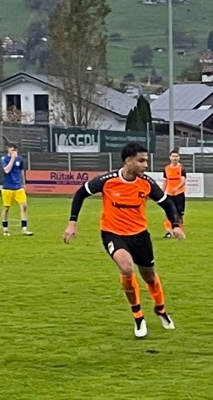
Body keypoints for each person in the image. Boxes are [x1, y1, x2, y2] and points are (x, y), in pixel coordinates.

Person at [63, 142, 185, 338]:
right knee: (127, 268)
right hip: (113, 234)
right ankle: (138, 316)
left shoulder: (146, 183)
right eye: (141, 160)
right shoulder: (107, 180)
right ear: (128, 161)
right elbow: (80, 194)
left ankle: (160, 309)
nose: (146, 165)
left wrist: (176, 225)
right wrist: (72, 222)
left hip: (140, 235)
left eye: (147, 160)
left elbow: (167, 203)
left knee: (149, 276)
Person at [0, 143, 33, 237]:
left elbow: (21, 171)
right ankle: (5, 229)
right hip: (7, 188)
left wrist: (24, 184)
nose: (14, 152)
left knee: (24, 206)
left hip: (18, 187)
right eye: (12, 150)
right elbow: (6, 170)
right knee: (6, 208)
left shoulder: (20, 160)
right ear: (8, 150)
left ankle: (24, 229)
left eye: (15, 150)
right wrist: (12, 159)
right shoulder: (4, 159)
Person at [162, 150, 187, 238]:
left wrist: (177, 188)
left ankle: (179, 231)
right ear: (170, 158)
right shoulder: (166, 168)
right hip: (169, 194)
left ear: (179, 158)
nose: (175, 158)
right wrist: (162, 192)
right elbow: (165, 181)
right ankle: (168, 231)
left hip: (179, 194)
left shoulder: (181, 168)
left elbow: (183, 181)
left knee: (180, 214)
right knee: (168, 213)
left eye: (176, 156)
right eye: (173, 156)